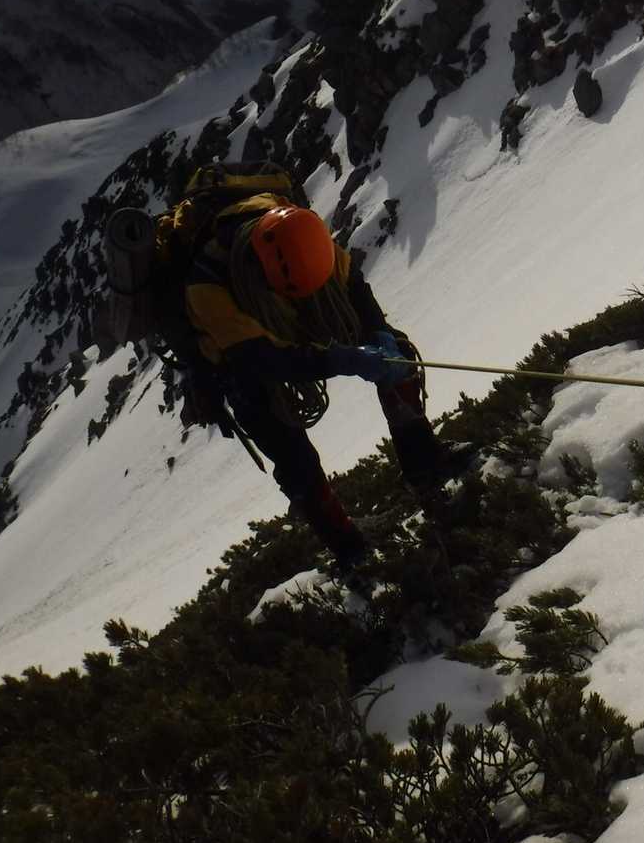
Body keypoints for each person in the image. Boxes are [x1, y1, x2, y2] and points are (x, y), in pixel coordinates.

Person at [177, 188, 471, 573]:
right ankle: (347, 547)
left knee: (395, 354)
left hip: (296, 313)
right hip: (238, 359)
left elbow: (353, 287)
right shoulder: (207, 286)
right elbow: (260, 361)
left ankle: (425, 464)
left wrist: (380, 334)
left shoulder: (304, 236)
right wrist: (340, 359)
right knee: (284, 442)